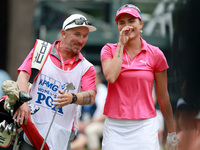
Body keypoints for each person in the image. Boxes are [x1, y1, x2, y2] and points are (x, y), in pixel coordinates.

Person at [12, 14, 97, 150]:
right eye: (77, 34)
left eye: (85, 36)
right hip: (31, 132)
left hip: (61, 138)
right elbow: (23, 77)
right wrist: (23, 103)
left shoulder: (86, 67)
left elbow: (91, 96)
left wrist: (72, 98)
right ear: (64, 34)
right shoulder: (40, 50)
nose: (81, 40)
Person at [100, 4, 178, 150]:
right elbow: (111, 77)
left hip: (144, 126)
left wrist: (172, 131)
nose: (127, 26)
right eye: (121, 23)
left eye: (131, 21)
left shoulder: (155, 54)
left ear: (140, 24)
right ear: (117, 26)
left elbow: (163, 95)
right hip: (115, 126)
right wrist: (121, 45)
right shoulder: (108, 49)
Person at [71, 66, 107, 150]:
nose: (93, 80)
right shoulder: (81, 90)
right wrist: (79, 123)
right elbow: (74, 112)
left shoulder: (104, 91)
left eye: (95, 78)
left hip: (98, 123)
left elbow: (105, 114)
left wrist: (90, 123)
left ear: (99, 79)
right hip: (81, 124)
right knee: (79, 140)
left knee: (91, 130)